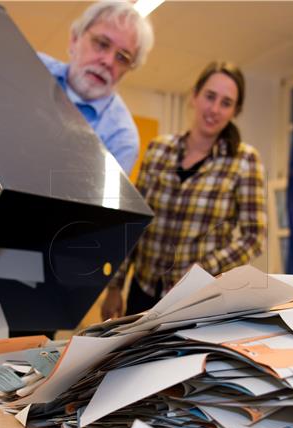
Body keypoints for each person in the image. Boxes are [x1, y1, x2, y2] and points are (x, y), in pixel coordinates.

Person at [101, 61, 267, 319]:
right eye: (210, 97)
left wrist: (203, 268)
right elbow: (135, 222)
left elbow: (253, 236)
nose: (214, 109)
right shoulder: (158, 150)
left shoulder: (244, 160)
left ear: (235, 111)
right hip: (143, 290)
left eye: (226, 103)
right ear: (194, 96)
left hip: (198, 297)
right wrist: (115, 286)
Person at [38, 1, 154, 175]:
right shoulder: (31, 67)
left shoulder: (121, 139)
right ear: (74, 39)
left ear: (128, 70)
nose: (108, 61)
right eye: (102, 44)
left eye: (122, 58)